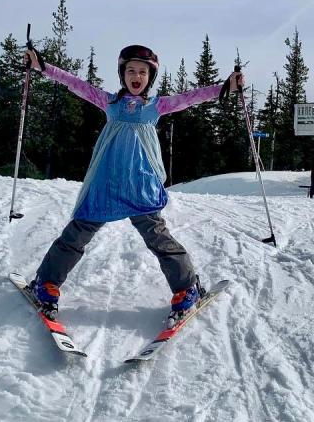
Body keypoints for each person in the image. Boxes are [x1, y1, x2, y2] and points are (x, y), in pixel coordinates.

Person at [22, 44, 244, 328]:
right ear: (122, 74)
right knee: (77, 233)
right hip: (106, 183)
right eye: (130, 71)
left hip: (140, 184)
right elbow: (76, 84)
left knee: (157, 236)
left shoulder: (156, 106)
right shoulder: (110, 103)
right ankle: (46, 283)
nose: (136, 76)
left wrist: (225, 86)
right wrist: (43, 67)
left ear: (149, 77)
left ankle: (187, 287)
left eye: (142, 72)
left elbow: (191, 97)